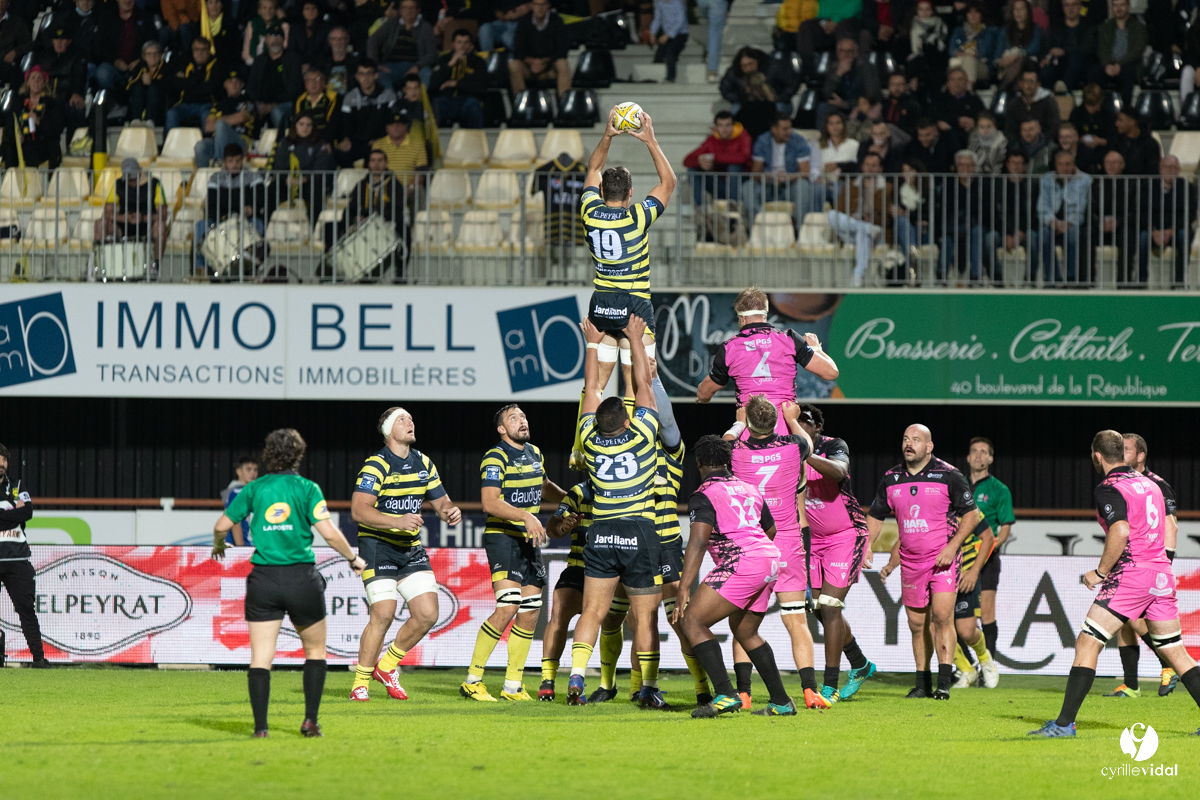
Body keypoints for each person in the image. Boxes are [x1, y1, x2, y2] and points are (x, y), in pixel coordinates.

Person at [1029, 430, 1200, 738]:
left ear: (1097, 456)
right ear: (1123, 452)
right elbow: (1165, 528)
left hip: (1132, 574)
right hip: (1161, 573)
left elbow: (1120, 531)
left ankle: (1064, 724)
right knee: (1175, 652)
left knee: (1087, 641)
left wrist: (1099, 572)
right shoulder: (1152, 484)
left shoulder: (1109, 487)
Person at [211, 430, 364, 740]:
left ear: (269, 454)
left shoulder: (253, 489)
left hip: (264, 580)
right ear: (298, 455)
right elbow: (330, 533)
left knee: (260, 658)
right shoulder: (307, 488)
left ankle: (260, 729)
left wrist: (218, 544)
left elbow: (221, 525)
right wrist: (352, 559)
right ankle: (309, 722)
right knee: (315, 651)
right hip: (300, 580)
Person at [590, 364, 709, 707]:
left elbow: (667, 421)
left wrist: (651, 379)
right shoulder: (619, 454)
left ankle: (699, 688)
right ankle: (611, 684)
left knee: (678, 619)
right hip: (627, 543)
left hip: (665, 546)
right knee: (615, 618)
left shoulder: (669, 453)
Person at [568, 105, 675, 471]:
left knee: (595, 382)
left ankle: (581, 448)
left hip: (602, 302)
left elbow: (592, 170)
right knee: (635, 382)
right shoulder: (636, 217)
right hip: (634, 305)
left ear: (601, 192)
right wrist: (650, 140)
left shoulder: (589, 211)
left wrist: (608, 135)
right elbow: (669, 183)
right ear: (630, 193)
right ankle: (634, 447)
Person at [568, 316, 666, 709]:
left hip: (602, 531)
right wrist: (637, 341)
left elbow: (592, 387)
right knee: (645, 618)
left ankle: (576, 676)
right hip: (639, 531)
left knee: (592, 611)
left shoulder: (589, 439)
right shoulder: (643, 436)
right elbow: (643, 385)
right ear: (627, 420)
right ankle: (648, 689)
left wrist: (593, 344)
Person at [722, 397, 830, 711]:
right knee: (797, 619)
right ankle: (810, 691)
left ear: (750, 423)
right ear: (775, 422)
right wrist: (793, 418)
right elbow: (808, 445)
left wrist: (739, 422)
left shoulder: (737, 452)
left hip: (752, 543)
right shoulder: (792, 447)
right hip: (787, 541)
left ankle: (743, 694)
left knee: (742, 623)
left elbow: (725, 441)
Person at [348, 407, 462, 702]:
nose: (410, 422)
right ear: (388, 431)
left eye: (411, 419)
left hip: (409, 549)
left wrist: (450, 511)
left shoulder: (423, 462)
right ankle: (361, 681)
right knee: (383, 613)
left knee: (428, 614)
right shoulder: (376, 465)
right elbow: (359, 510)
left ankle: (386, 667)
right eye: (402, 419)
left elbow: (442, 502)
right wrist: (397, 521)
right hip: (377, 547)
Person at [676, 434, 794, 718]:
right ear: (728, 461)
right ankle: (781, 702)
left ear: (699, 462)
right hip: (769, 559)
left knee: (692, 620)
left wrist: (683, 589)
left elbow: (698, 542)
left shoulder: (703, 494)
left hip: (743, 561)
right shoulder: (750, 488)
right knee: (745, 631)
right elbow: (771, 529)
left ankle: (725, 694)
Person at [461, 405, 566, 702]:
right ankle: (472, 680)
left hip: (528, 540)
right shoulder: (495, 457)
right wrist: (526, 516)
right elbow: (489, 502)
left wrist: (572, 500)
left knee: (530, 612)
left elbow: (544, 486)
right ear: (501, 430)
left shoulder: (534, 452)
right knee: (508, 607)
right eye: (513, 419)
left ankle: (512, 686)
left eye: (523, 417)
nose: (521, 421)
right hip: (503, 537)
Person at [869, 424, 980, 700]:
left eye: (916, 440)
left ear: (929, 447)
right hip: (910, 562)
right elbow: (876, 515)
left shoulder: (949, 475)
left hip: (943, 561)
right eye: (906, 439)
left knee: (942, 618)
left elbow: (972, 515)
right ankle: (923, 683)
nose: (909, 444)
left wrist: (953, 547)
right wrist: (866, 546)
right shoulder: (891, 478)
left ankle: (944, 683)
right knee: (916, 625)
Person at [795, 404, 876, 701]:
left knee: (829, 606)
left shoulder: (833, 446)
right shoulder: (787, 451)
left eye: (806, 422)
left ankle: (829, 686)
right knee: (818, 608)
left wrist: (807, 454)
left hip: (846, 535)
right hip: (812, 541)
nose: (800, 427)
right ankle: (860, 664)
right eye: (795, 422)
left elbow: (840, 470)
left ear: (818, 428)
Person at [1105, 433, 1181, 698]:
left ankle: (1169, 664)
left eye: (1125, 449)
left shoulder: (1156, 484)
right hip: (1131, 562)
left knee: (1133, 620)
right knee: (1124, 624)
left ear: (1140, 456)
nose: (1120, 453)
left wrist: (1164, 565)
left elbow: (1171, 526)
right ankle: (1132, 685)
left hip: (1149, 567)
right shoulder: (1123, 483)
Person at [696, 287, 838, 417]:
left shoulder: (730, 347)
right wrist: (816, 349)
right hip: (785, 434)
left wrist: (702, 397)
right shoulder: (790, 339)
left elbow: (705, 392)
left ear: (742, 317)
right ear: (765, 313)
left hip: (750, 434)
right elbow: (831, 373)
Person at [538, 480, 593, 701]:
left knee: (615, 622)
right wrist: (563, 526)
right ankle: (547, 681)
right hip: (579, 567)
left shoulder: (629, 489)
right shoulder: (579, 492)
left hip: (612, 572)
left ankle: (613, 684)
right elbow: (552, 527)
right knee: (558, 615)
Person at [963, 437, 1014, 668]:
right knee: (958, 614)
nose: (978, 455)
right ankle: (963, 667)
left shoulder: (999, 489)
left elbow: (1005, 527)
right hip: (960, 558)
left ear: (991, 459)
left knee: (986, 612)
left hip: (988, 558)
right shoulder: (958, 485)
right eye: (974, 451)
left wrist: (992, 545)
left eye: (984, 452)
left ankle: (988, 668)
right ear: (968, 457)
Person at [0, 442, 47, 669]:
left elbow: (27, 512)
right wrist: (12, 513)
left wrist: (8, 515)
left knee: (26, 610)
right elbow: (19, 514)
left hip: (18, 560)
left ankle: (38, 659)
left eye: (4, 461)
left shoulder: (17, 486)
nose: (1, 465)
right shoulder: (14, 495)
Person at [829, 152, 894, 286]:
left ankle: (858, 274)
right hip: (853, 228)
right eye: (867, 165)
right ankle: (865, 228)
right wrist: (852, 217)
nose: (870, 168)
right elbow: (840, 210)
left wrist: (872, 218)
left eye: (874, 166)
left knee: (862, 234)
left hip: (877, 231)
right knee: (831, 215)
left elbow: (888, 218)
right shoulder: (851, 185)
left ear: (881, 169)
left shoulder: (888, 188)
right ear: (862, 166)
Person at [196, 144, 267, 261]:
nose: (234, 165)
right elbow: (213, 206)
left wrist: (244, 208)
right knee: (201, 225)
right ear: (224, 162)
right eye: (230, 161)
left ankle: (254, 267)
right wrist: (241, 207)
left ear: (243, 160)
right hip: (220, 220)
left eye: (238, 161)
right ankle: (200, 269)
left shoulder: (254, 177)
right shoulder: (215, 178)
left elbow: (260, 201)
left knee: (257, 223)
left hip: (246, 221)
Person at [328, 149, 407, 253]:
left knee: (405, 229)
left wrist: (374, 219)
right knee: (329, 227)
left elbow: (397, 209)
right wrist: (355, 218)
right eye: (373, 160)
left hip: (386, 223)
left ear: (386, 163)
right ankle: (333, 259)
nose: (376, 164)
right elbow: (351, 208)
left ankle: (401, 267)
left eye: (380, 160)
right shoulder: (362, 184)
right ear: (369, 164)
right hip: (362, 223)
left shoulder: (394, 185)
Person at [748, 114, 816, 232]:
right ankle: (756, 227)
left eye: (790, 128)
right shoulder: (762, 141)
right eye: (785, 129)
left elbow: (805, 172)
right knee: (748, 186)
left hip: (791, 185)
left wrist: (789, 176)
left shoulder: (798, 141)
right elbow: (755, 173)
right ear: (774, 129)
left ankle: (799, 230)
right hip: (768, 185)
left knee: (803, 186)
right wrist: (766, 176)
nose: (788, 132)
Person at [1138, 155, 1197, 287]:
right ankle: (1141, 281)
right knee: (1142, 238)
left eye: (1173, 167)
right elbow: (1142, 212)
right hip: (1154, 230)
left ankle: (1179, 281)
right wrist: (1153, 231)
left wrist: (1171, 230)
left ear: (1179, 170)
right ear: (1160, 169)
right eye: (1166, 167)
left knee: (1184, 235)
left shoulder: (1187, 187)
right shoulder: (1149, 186)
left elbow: (1190, 214)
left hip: (1176, 229)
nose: (1169, 170)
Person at [95, 158, 168, 262]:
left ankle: (156, 265)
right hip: (122, 226)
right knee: (100, 224)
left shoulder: (155, 184)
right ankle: (99, 262)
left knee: (160, 226)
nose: (132, 182)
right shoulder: (118, 184)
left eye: (134, 179)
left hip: (148, 226)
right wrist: (122, 218)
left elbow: (163, 215)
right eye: (129, 180)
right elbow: (107, 212)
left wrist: (143, 218)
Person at [269, 111, 337, 222]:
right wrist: (286, 179)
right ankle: (265, 230)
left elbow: (320, 169)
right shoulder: (285, 142)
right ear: (295, 125)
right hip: (288, 182)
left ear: (313, 127)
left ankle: (314, 229)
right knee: (272, 188)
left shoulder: (320, 144)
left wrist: (304, 179)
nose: (305, 127)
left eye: (308, 125)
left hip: (309, 184)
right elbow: (279, 165)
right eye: (301, 124)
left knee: (316, 191)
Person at [1037, 149, 1092, 282]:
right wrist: (1052, 221)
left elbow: (1082, 207)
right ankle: (1052, 278)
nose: (1065, 168)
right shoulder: (1046, 179)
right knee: (1044, 235)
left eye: (1068, 164)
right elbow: (1042, 206)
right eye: (1061, 164)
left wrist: (1069, 222)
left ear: (1073, 164)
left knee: (1073, 235)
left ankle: (1070, 277)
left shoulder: (1085, 180)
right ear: (1056, 165)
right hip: (1052, 221)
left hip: (1073, 222)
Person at [983, 149, 1038, 282]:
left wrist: (1021, 232)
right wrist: (1005, 233)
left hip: (1025, 231)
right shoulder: (997, 185)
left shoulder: (1032, 186)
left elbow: (1034, 214)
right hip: (1001, 231)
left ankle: (1029, 278)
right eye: (1013, 163)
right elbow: (992, 213)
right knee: (990, 239)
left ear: (1025, 165)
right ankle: (996, 278)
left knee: (1033, 238)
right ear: (1007, 164)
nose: (1016, 166)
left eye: (1020, 163)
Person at [683, 110, 753, 208]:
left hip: (741, 185)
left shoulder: (743, 137)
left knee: (733, 167)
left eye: (728, 125)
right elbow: (687, 160)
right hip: (719, 185)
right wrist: (700, 160)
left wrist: (715, 158)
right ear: (716, 127)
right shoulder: (711, 140)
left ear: (733, 126)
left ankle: (734, 206)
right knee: (692, 170)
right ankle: (701, 209)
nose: (724, 129)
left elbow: (743, 158)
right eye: (721, 125)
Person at [334, 59, 395, 168]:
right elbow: (346, 123)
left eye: (369, 73)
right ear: (357, 77)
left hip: (381, 141)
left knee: (375, 154)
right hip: (357, 142)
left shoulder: (388, 95)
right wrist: (346, 139)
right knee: (342, 153)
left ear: (376, 75)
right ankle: (352, 184)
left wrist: (380, 140)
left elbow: (392, 122)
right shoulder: (350, 97)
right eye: (362, 74)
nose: (365, 78)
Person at [1, 66, 64, 169]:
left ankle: (33, 182)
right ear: (28, 82)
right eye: (33, 78)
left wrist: (39, 122)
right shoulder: (18, 102)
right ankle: (12, 182)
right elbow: (10, 124)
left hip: (43, 144)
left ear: (44, 83)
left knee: (30, 148)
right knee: (11, 149)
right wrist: (17, 136)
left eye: (40, 79)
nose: (36, 81)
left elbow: (57, 129)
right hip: (22, 141)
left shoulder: (51, 103)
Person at [937, 150, 986, 280]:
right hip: (952, 227)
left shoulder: (982, 186)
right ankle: (941, 277)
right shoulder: (948, 185)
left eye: (969, 165)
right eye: (962, 165)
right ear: (957, 167)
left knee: (977, 232)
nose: (965, 168)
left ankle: (976, 276)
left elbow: (986, 212)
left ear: (975, 167)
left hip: (976, 226)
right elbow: (944, 211)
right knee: (946, 240)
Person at [194, 69, 257, 168]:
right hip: (218, 142)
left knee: (220, 126)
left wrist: (219, 121)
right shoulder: (218, 105)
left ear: (242, 85)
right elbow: (208, 126)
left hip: (240, 141)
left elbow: (241, 118)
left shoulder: (247, 101)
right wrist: (230, 120)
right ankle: (204, 178)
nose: (234, 84)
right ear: (225, 85)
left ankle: (220, 164)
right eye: (231, 82)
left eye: (237, 82)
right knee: (200, 146)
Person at [368, 0, 436, 90]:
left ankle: (420, 102)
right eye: (405, 8)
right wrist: (375, 64)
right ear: (400, 10)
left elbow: (432, 54)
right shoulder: (392, 23)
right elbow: (372, 40)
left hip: (415, 66)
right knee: (378, 75)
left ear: (418, 10)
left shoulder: (425, 27)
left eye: (412, 8)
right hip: (392, 66)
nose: (408, 11)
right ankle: (393, 102)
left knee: (427, 73)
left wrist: (418, 66)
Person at [507, 0, 569, 98]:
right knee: (513, 65)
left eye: (543, 4)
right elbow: (518, 49)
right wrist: (531, 61)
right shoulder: (524, 21)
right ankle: (521, 104)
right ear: (531, 5)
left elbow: (562, 50)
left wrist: (544, 61)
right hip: (529, 68)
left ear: (548, 5)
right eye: (536, 4)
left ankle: (565, 104)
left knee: (563, 63)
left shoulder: (557, 21)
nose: (540, 8)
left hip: (549, 67)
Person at [1091, 150, 1135, 282]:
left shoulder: (1131, 184)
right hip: (1100, 226)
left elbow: (1133, 210)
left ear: (1122, 165)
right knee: (1085, 234)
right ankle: (1087, 280)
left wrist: (1118, 222)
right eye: (1108, 162)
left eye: (1115, 162)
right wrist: (1099, 222)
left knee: (1128, 235)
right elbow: (1091, 209)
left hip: (1121, 225)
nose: (1111, 165)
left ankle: (1124, 281)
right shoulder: (1096, 184)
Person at [817, 38, 879, 132]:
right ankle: (824, 142)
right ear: (837, 53)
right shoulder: (834, 67)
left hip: (858, 106)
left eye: (849, 51)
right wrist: (838, 75)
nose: (845, 55)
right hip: (838, 108)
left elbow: (872, 96)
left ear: (855, 53)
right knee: (823, 107)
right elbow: (827, 94)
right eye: (842, 51)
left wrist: (845, 104)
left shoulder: (866, 68)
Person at [1091, 0, 1146, 106]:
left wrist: (1119, 65)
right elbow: (1102, 49)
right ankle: (1094, 110)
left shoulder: (1139, 27)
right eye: (1115, 5)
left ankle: (1125, 112)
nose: (1118, 8)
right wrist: (1107, 65)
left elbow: (1137, 51)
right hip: (1109, 65)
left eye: (1122, 5)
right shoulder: (1105, 27)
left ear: (1128, 6)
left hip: (1129, 65)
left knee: (1127, 73)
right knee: (1094, 72)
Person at [249, 25, 304, 129]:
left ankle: (285, 142)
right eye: (272, 35)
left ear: (283, 39)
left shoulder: (292, 58)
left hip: (285, 103)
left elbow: (294, 88)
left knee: (277, 112)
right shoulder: (260, 60)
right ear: (266, 40)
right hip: (261, 104)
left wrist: (273, 105)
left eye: (279, 35)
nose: (276, 39)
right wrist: (257, 103)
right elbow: (251, 85)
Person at [91, 0, 153, 92]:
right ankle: (116, 98)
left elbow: (153, 42)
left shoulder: (144, 16)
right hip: (113, 64)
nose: (127, 1)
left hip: (138, 65)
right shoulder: (106, 17)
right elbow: (98, 46)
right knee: (102, 74)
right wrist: (115, 61)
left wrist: (141, 59)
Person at [430, 29, 486, 129]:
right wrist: (451, 63)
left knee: (473, 106)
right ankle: (433, 143)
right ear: (453, 44)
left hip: (468, 100)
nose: (462, 46)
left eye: (466, 42)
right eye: (459, 42)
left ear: (470, 45)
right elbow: (433, 84)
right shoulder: (444, 59)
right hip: (446, 100)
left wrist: (456, 84)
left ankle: (476, 141)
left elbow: (481, 86)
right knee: (436, 105)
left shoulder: (478, 61)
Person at [36, 26, 88, 135]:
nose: (59, 43)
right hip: (48, 97)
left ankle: (74, 144)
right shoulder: (44, 56)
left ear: (69, 41)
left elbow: (79, 76)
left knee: (77, 107)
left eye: (62, 40)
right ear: (52, 41)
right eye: (56, 39)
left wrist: (76, 93)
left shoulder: (77, 55)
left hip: (67, 97)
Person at [166, 36, 222, 132]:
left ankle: (206, 145)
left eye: (204, 49)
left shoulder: (216, 64)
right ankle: (169, 145)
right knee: (171, 113)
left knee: (208, 116)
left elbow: (209, 88)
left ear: (209, 51)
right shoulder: (185, 62)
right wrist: (197, 80)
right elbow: (176, 84)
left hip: (206, 104)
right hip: (184, 104)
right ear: (192, 51)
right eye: (197, 49)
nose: (200, 53)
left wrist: (188, 83)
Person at [1039, 0, 1094, 92]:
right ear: (1063, 8)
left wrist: (1064, 51)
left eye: (1074, 4)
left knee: (1076, 57)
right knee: (1046, 69)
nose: (1070, 8)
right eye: (1067, 5)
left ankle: (1063, 89)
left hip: (1081, 64)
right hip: (1058, 63)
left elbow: (1087, 48)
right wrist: (1045, 57)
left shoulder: (1088, 26)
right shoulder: (1055, 26)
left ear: (1080, 7)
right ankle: (1046, 100)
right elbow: (1045, 47)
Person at [947, 1, 999, 87]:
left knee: (968, 60)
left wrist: (967, 55)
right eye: (970, 13)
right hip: (960, 62)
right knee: (955, 62)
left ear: (981, 14)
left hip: (982, 65)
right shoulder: (958, 31)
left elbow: (984, 52)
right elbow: (952, 50)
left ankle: (967, 89)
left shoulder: (989, 32)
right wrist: (966, 54)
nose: (973, 15)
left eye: (976, 12)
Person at [931, 66, 983, 151]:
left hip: (971, 135)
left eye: (960, 79)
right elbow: (934, 116)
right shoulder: (939, 99)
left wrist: (975, 123)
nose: (956, 83)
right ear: (948, 83)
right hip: (948, 137)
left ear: (966, 82)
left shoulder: (974, 99)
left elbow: (983, 115)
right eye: (953, 80)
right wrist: (957, 120)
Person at [1004, 66, 1059, 145]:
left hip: (1044, 144)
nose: (1029, 85)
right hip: (1021, 145)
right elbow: (1010, 129)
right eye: (1026, 81)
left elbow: (1054, 128)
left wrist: (1039, 140)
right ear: (1020, 84)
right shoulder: (1014, 103)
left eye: (1032, 81)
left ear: (1038, 84)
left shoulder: (1048, 101)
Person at [371, 108, 428, 182]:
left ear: (406, 126)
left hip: (412, 188)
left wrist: (409, 188)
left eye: (399, 124)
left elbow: (422, 171)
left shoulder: (418, 144)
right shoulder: (378, 145)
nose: (396, 128)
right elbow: (374, 169)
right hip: (385, 187)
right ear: (386, 128)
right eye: (392, 125)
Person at [993, 0, 1042, 88]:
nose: (1018, 12)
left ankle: (1004, 87)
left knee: (1020, 61)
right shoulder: (1005, 31)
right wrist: (1001, 61)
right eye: (1016, 9)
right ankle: (1010, 86)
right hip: (1008, 64)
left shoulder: (1036, 29)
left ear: (1028, 11)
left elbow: (1034, 48)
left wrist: (1016, 56)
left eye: (1021, 9)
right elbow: (998, 54)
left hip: (1029, 63)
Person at [905, 0, 948, 90]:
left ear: (932, 11)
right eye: (921, 9)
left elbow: (941, 47)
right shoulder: (909, 26)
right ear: (917, 11)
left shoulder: (941, 25)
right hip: (916, 61)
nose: (924, 13)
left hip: (936, 59)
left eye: (927, 9)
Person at [220, 453, 259, 547]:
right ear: (238, 471)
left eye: (255, 469)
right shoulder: (238, 492)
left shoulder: (238, 491)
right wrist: (240, 548)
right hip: (238, 546)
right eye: (248, 469)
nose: (252, 473)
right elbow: (235, 522)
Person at [291, 68, 340, 142]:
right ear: (305, 84)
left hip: (327, 142)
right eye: (309, 80)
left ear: (323, 82)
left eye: (317, 79)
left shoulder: (333, 99)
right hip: (305, 143)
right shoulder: (299, 101)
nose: (313, 83)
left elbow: (334, 126)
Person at [127, 41, 168, 125]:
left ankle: (150, 121)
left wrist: (152, 82)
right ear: (144, 56)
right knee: (138, 88)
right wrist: (141, 81)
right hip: (142, 100)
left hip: (161, 104)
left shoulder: (167, 67)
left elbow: (170, 86)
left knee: (153, 88)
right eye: (149, 54)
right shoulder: (139, 67)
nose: (152, 56)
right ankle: (136, 120)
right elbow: (129, 87)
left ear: (160, 55)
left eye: (155, 53)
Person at [1111, 109, 1161, 178]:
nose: (1117, 123)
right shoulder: (1117, 142)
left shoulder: (1151, 144)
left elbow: (1152, 170)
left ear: (1132, 122)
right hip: (1121, 185)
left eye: (1120, 120)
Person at [649, 0, 688, 83]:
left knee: (670, 51)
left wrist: (668, 35)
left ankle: (671, 77)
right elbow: (657, 19)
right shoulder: (660, 4)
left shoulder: (678, 3)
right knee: (659, 55)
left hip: (680, 34)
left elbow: (680, 21)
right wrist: (653, 33)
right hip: (667, 35)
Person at [316, 26, 360, 94]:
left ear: (347, 40)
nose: (338, 42)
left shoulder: (356, 63)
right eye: (334, 39)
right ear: (330, 41)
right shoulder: (322, 64)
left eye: (341, 39)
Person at [243, 0, 289, 65]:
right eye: (264, 8)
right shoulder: (252, 24)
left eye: (271, 8)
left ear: (275, 10)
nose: (268, 11)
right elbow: (246, 51)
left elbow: (284, 47)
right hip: (253, 63)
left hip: (275, 63)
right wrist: (253, 62)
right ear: (259, 11)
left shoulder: (283, 26)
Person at [0, 0, 33, 90]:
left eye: (1, 2)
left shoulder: (16, 22)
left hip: (4, 64)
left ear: (7, 4)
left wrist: (15, 52)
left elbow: (29, 43)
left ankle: (14, 101)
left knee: (17, 74)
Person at [289, 0, 329, 68]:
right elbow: (292, 50)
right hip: (299, 66)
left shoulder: (325, 28)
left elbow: (326, 52)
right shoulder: (295, 28)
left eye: (313, 8)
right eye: (307, 9)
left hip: (319, 66)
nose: (311, 11)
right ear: (302, 11)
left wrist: (311, 65)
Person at [966, 110, 1006, 175]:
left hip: (997, 177)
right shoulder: (972, 140)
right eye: (981, 127)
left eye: (989, 126)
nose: (985, 130)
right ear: (977, 127)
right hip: (975, 178)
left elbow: (1001, 162)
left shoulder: (1002, 141)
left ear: (994, 126)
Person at [883, 71, 921, 138]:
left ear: (906, 86)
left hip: (905, 139)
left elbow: (914, 129)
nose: (896, 88)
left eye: (900, 84)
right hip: (884, 136)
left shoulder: (912, 105)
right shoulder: (884, 103)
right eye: (893, 84)